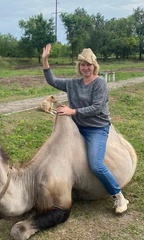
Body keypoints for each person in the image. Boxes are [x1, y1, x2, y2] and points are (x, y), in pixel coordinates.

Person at [42, 43, 129, 214]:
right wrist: (45, 61)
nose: (86, 68)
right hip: (76, 127)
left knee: (96, 164)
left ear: (94, 66)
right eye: (82, 64)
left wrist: (72, 111)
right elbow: (52, 80)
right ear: (79, 67)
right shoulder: (73, 84)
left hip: (96, 128)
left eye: (89, 64)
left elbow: (96, 107)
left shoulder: (100, 83)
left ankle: (118, 196)